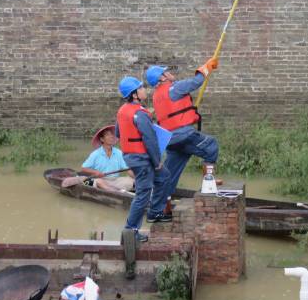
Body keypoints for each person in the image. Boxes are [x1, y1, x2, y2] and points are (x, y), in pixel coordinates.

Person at [145, 58, 220, 202]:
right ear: (162, 77)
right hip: (183, 135)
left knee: (170, 173)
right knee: (211, 146)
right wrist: (207, 66)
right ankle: (209, 182)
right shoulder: (174, 88)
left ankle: (161, 199)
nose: (170, 73)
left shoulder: (156, 95)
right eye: (166, 72)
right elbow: (196, 82)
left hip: (171, 140)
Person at [116, 76, 171, 243]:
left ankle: (155, 213)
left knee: (164, 176)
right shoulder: (140, 113)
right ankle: (130, 231)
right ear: (134, 95)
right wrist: (157, 161)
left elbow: (118, 134)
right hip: (142, 159)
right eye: (141, 88)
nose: (144, 90)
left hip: (131, 156)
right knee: (142, 194)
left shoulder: (122, 110)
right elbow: (150, 140)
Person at [80, 125, 135, 192]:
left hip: (114, 181)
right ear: (102, 139)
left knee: (132, 181)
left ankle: (115, 190)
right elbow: (83, 168)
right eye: (107, 135)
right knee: (91, 182)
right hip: (100, 180)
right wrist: (96, 172)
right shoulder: (96, 154)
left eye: (111, 134)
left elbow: (128, 169)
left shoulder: (119, 153)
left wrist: (137, 177)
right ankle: (115, 192)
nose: (111, 136)